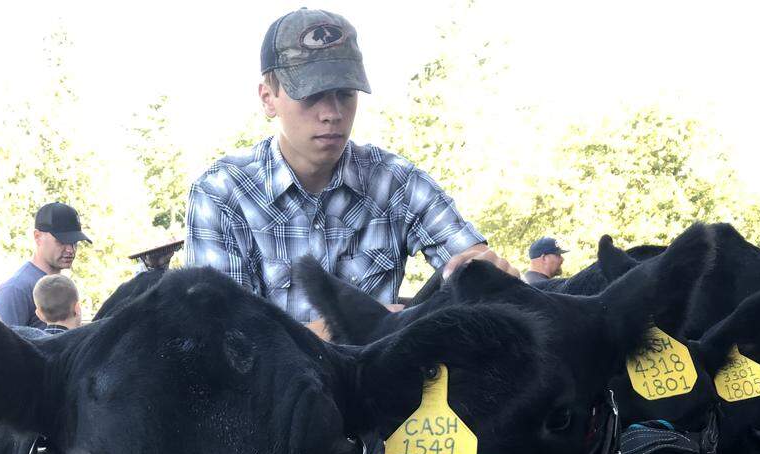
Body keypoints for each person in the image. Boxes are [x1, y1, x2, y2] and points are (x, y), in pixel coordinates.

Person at [185, 7, 517, 328]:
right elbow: (224, 339)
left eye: (345, 94)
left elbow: (469, 255)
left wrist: (478, 269)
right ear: (268, 98)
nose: (332, 112)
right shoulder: (221, 195)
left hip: (381, 382)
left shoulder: (396, 181)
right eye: (312, 95)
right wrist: (356, 325)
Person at [0, 203, 90, 328]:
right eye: (62, 241)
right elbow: (2, 345)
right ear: (37, 237)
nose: (71, 250)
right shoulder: (15, 290)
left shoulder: (63, 286)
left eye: (74, 242)